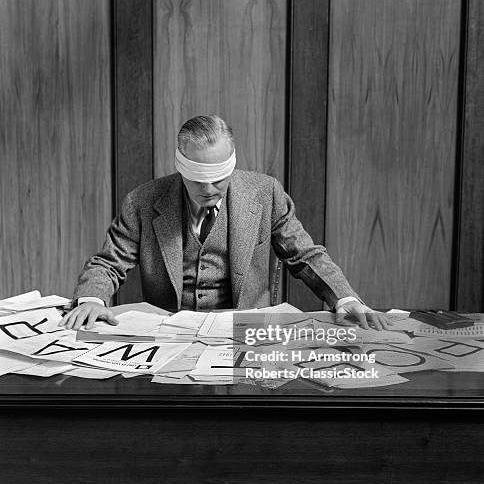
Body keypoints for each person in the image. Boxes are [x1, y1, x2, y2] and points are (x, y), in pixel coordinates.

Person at [60, 114, 390, 331]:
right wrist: (91, 299)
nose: (208, 189)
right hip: (171, 333)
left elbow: (305, 255)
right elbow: (108, 262)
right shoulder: (143, 202)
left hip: (246, 332)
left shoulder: (266, 193)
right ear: (180, 165)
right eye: (197, 178)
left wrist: (344, 298)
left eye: (218, 178)